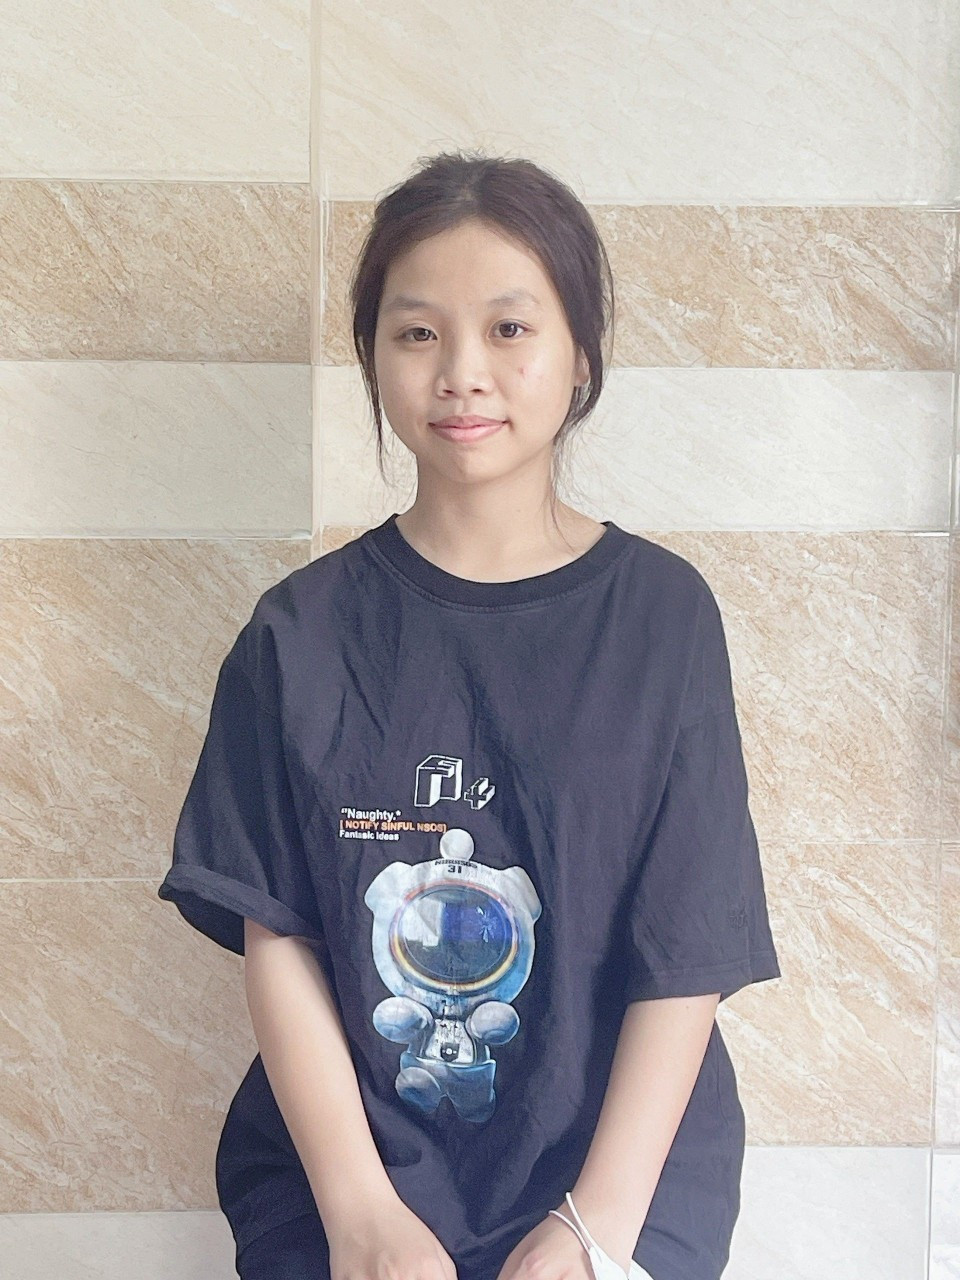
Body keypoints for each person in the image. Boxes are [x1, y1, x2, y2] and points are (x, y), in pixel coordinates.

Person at [157, 148, 782, 1280]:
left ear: (580, 354)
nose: (462, 373)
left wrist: (592, 1230)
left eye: (508, 328)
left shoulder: (663, 618)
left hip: (623, 1171)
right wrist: (361, 1215)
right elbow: (276, 934)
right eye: (417, 332)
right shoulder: (297, 633)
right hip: (343, 1168)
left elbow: (687, 948)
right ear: (371, 356)